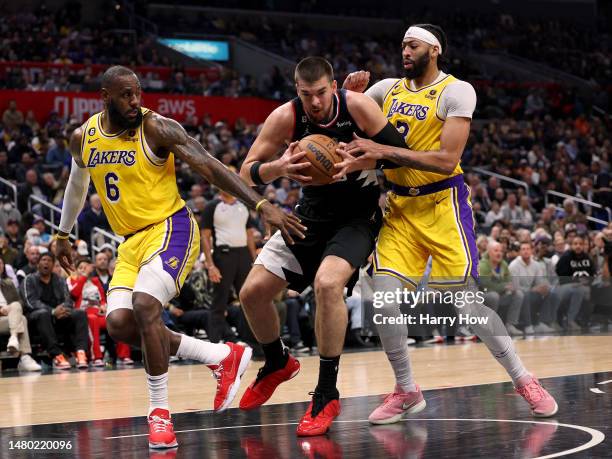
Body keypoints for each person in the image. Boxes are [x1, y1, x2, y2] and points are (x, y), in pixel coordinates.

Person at [54, 65, 304, 449]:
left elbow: (209, 166)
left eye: (137, 93)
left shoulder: (157, 128)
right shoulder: (82, 137)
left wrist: (260, 204)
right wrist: (63, 231)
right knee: (119, 324)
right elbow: (76, 183)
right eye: (125, 95)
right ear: (105, 97)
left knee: (145, 306)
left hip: (171, 228)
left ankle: (159, 413)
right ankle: (221, 355)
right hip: (131, 243)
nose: (135, 102)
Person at [341, 23, 557, 424]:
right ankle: (406, 390)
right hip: (401, 209)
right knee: (383, 301)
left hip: (444, 204)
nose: (405, 51)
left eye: (413, 45)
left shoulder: (457, 91)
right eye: (403, 45)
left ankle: (524, 379)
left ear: (434, 49)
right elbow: (341, 122)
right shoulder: (384, 90)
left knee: (468, 307)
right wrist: (347, 93)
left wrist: (379, 150)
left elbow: (445, 158)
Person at [238, 56, 408, 436]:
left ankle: (326, 393)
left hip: (356, 215)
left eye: (320, 93)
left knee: (328, 285)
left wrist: (367, 155)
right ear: (297, 92)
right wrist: (277, 169)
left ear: (333, 87)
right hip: (309, 213)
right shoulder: (286, 116)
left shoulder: (359, 106)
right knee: (251, 293)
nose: (314, 102)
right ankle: (277, 361)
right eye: (305, 94)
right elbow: (245, 172)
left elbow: (402, 157)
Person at [201, 189, 257, 344]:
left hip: (244, 255)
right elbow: (205, 237)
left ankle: (254, 343)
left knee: (248, 299)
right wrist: (211, 265)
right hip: (223, 256)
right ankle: (214, 343)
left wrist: (254, 259)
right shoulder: (212, 206)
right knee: (220, 301)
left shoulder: (243, 205)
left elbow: (250, 234)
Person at [21, 252, 89, 370]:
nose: (46, 263)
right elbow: (30, 302)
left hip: (59, 317)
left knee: (80, 313)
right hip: (36, 320)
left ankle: (81, 352)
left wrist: (62, 310)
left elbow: (68, 300)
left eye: (49, 261)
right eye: (43, 260)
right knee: (43, 314)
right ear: (38, 264)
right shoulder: (29, 280)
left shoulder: (60, 280)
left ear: (53, 265)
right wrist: (52, 311)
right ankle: (57, 355)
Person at [67, 258, 132, 366]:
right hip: (84, 313)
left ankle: (124, 356)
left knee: (119, 320)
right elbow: (74, 294)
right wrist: (83, 277)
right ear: (76, 270)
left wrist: (103, 305)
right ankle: (96, 357)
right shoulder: (72, 281)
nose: (83, 270)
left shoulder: (96, 281)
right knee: (92, 319)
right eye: (81, 268)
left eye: (86, 267)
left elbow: (102, 298)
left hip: (99, 312)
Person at [479, 241, 523, 336]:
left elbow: (509, 280)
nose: (499, 253)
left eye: (501, 251)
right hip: (483, 296)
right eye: (496, 251)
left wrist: (511, 287)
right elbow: (486, 285)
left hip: (500, 294)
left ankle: (510, 325)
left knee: (518, 294)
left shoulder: (503, 264)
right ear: (489, 252)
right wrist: (503, 286)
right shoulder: (483, 265)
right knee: (493, 296)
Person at [0, 270, 41, 371]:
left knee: (17, 307)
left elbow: (20, 302)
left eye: (0, 263)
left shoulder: (8, 283)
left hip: (10, 317)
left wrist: (11, 308)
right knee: (21, 319)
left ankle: (14, 339)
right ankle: (24, 357)